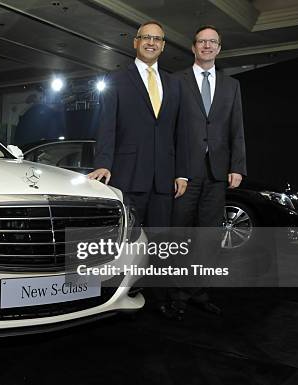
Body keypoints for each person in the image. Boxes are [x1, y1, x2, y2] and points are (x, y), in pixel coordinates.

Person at [87, 20, 188, 318]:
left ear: (164, 45)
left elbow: (179, 132)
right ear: (135, 42)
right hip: (128, 174)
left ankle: (159, 298)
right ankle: (118, 294)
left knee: (160, 241)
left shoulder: (174, 83)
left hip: (164, 178)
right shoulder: (117, 79)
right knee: (125, 242)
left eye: (157, 39)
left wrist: (181, 171)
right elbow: (107, 126)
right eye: (146, 37)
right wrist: (103, 163)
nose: (151, 43)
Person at [171, 25, 247, 315]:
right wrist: (175, 170)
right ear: (193, 47)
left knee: (208, 237)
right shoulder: (176, 81)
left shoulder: (232, 86)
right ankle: (176, 295)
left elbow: (236, 128)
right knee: (179, 236)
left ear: (219, 48)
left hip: (217, 173)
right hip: (184, 175)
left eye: (212, 42)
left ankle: (199, 292)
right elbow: (170, 129)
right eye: (201, 41)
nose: (206, 46)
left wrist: (237, 166)